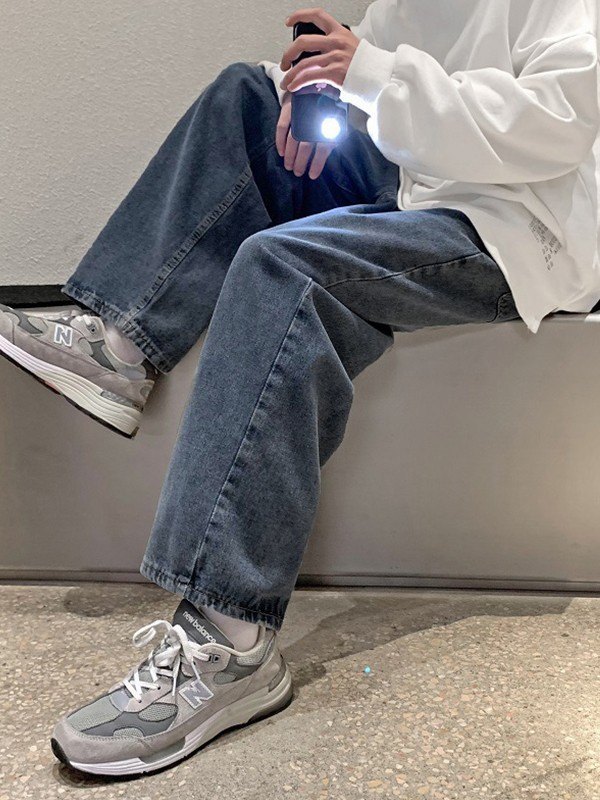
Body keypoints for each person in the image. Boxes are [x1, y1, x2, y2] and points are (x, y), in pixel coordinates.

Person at [0, 0, 598, 778]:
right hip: (426, 187)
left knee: (280, 266)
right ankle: (118, 345)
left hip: (517, 228)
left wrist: (370, 72)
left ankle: (230, 640)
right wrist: (321, 92)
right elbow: (390, 77)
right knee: (247, 95)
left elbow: (558, 125)